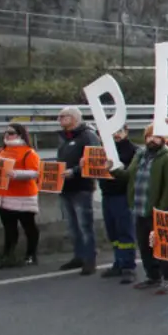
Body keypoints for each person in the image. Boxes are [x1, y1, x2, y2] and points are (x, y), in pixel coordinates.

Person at [113, 126, 168, 294]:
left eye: (156, 136)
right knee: (145, 246)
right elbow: (129, 175)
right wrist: (113, 169)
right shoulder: (140, 154)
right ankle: (153, 276)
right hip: (139, 208)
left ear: (163, 138)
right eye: (149, 136)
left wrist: (162, 210)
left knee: (163, 248)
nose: (152, 139)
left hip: (158, 211)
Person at [55, 106, 102, 275]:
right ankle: (79, 256)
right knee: (72, 226)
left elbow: (94, 160)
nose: (59, 119)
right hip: (65, 187)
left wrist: (74, 171)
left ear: (74, 118)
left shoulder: (87, 135)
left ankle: (90, 259)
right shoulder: (64, 138)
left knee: (84, 225)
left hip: (82, 186)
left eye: (63, 116)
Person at [0, 124, 42, 267]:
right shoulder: (2, 151)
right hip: (2, 195)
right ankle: (8, 256)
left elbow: (35, 172)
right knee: (9, 228)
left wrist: (16, 174)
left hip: (23, 195)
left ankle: (31, 255)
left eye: (11, 133)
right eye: (5, 132)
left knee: (28, 226)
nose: (7, 135)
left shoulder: (28, 152)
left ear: (20, 134)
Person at [98, 127, 139, 282]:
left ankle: (128, 266)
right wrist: (85, 164)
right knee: (113, 233)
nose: (115, 134)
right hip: (107, 194)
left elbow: (131, 175)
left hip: (122, 196)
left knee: (125, 231)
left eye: (119, 131)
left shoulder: (133, 151)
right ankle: (118, 262)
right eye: (112, 131)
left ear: (126, 132)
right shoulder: (102, 150)